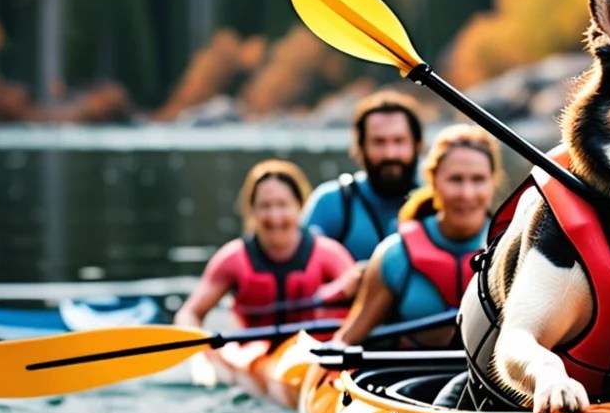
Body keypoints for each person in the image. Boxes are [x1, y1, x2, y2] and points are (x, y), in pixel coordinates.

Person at [175, 159, 358, 388]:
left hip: (313, 356)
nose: (275, 217)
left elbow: (363, 309)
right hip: (252, 355)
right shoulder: (232, 260)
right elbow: (189, 313)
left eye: (283, 205)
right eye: (265, 206)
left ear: (299, 206)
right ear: (251, 210)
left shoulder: (328, 254)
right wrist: (201, 355)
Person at [334, 124, 503, 348]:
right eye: (455, 179)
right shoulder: (395, 255)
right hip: (410, 379)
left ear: (493, 182)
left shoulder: (512, 251)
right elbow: (347, 339)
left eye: (478, 179)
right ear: (433, 181)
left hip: (491, 380)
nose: (467, 193)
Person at [301, 90, 425, 265]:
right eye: (379, 142)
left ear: (417, 144)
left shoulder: (438, 203)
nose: (390, 153)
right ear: (360, 147)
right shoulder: (332, 203)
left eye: (399, 141)